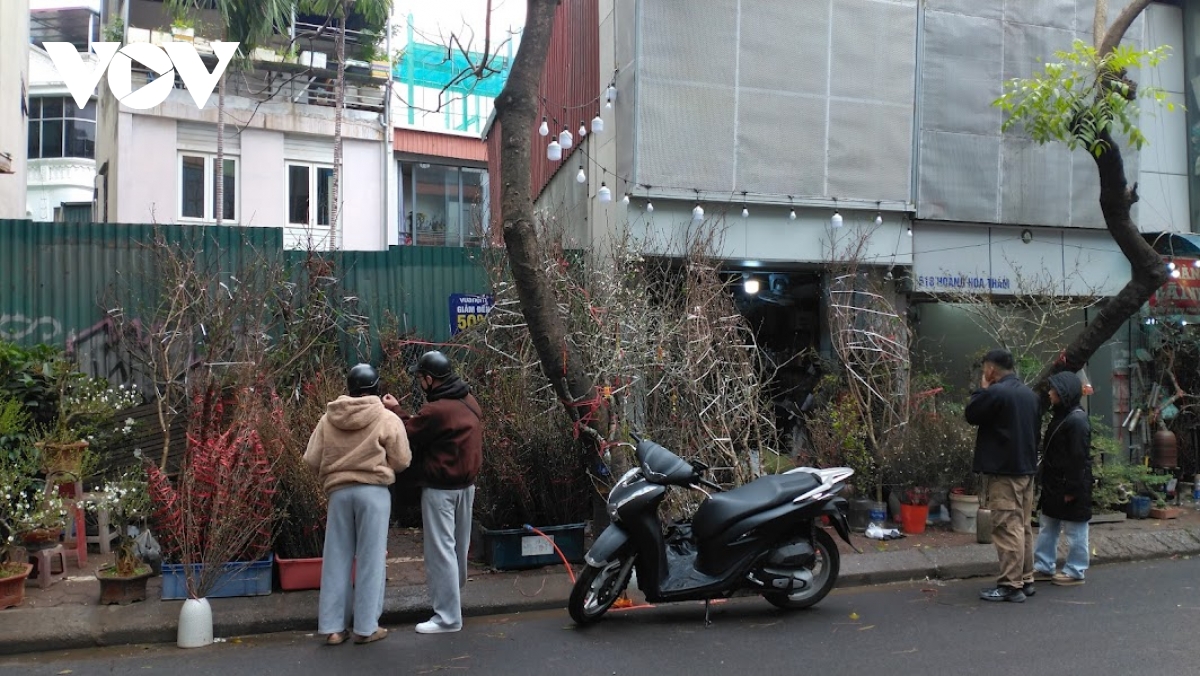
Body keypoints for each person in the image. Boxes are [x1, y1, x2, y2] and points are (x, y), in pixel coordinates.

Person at [305, 363, 411, 646]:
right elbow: (401, 460)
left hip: (339, 493)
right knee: (371, 559)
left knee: (336, 558)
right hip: (373, 493)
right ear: (376, 387)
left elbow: (311, 459)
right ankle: (365, 628)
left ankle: (332, 629)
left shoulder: (329, 418)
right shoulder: (386, 417)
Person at [383, 350, 482, 635]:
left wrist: (395, 409)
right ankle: (454, 598)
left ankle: (447, 618)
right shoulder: (469, 401)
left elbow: (407, 432)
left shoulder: (436, 410)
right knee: (458, 551)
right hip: (467, 487)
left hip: (441, 490)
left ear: (429, 379)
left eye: (420, 377)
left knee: (440, 553)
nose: (420, 383)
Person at [965, 349, 1041, 603]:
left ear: (991, 369)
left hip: (1004, 470)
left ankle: (1010, 584)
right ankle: (1026, 578)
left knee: (1007, 526)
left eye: (985, 368)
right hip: (1026, 468)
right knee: (1023, 526)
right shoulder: (1029, 394)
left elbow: (971, 413)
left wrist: (982, 388)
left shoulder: (996, 392)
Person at [1033, 371, 1093, 586]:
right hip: (1055, 483)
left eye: (1054, 390)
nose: (1050, 393)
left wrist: (1072, 489)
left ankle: (1076, 571)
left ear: (1063, 393)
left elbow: (1079, 458)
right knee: (1048, 525)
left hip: (1068, 483)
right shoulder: (1064, 414)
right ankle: (1043, 565)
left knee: (1075, 529)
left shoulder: (1075, 420)